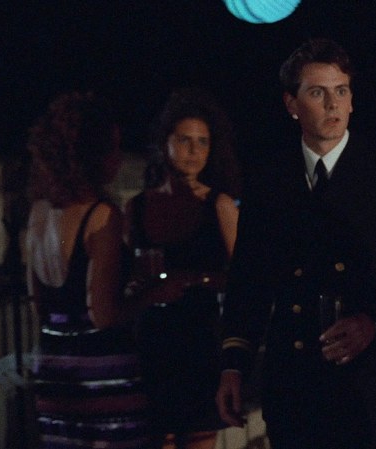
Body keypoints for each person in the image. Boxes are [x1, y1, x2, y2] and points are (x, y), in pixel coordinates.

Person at [215, 38, 376, 449]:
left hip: (361, 373)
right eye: (317, 93)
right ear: (292, 103)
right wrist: (233, 364)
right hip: (289, 372)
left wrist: (375, 320)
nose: (333, 104)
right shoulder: (269, 179)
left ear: (352, 101)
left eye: (341, 91)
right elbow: (248, 280)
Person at [24, 91, 152, 448]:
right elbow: (103, 314)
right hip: (101, 372)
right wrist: (151, 293)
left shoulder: (38, 213)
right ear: (90, 155)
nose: (118, 157)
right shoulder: (102, 217)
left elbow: (39, 304)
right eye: (112, 148)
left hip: (53, 369)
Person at [125, 88, 241, 449]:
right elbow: (128, 275)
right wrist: (141, 286)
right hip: (152, 341)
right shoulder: (138, 207)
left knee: (198, 437)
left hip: (199, 340)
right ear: (165, 144)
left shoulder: (219, 205)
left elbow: (243, 278)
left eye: (202, 142)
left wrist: (196, 278)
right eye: (184, 140)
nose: (194, 150)